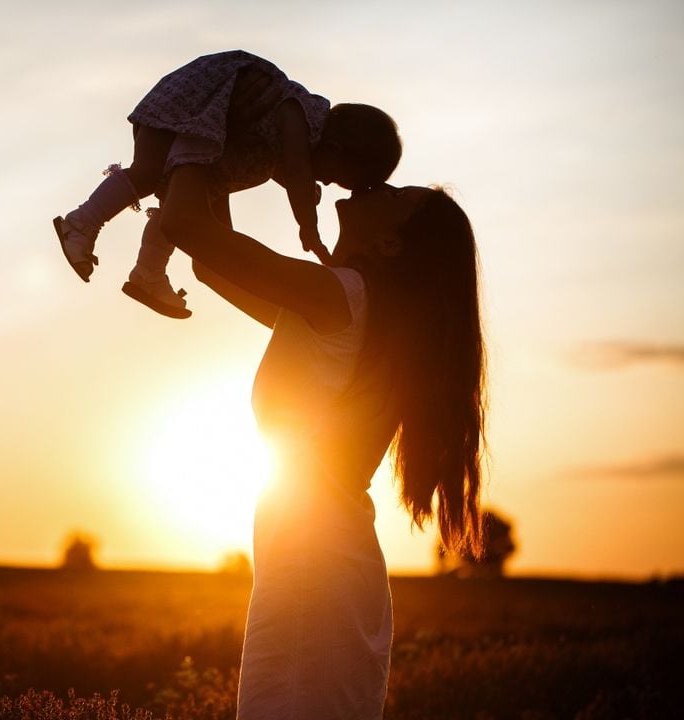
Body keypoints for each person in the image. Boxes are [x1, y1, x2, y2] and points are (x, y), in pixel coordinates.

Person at [158, 164, 487, 719]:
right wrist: (230, 163)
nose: (371, 183)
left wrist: (208, 122)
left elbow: (185, 224)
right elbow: (209, 261)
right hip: (321, 568)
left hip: (316, 576)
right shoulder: (347, 306)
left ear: (388, 241)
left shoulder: (341, 296)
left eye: (391, 193)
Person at [52, 50, 402, 319]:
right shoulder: (303, 114)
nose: (325, 181)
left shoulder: (290, 134)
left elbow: (287, 166)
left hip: (210, 125)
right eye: (334, 176)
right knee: (146, 172)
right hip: (198, 104)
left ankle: (148, 275)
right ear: (337, 149)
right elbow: (294, 167)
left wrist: (295, 183)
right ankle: (81, 223)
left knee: (187, 201)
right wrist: (308, 226)